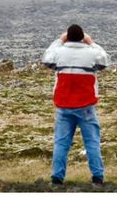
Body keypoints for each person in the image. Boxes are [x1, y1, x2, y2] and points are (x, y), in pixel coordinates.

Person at [42, 24, 110, 186]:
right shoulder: (91, 53)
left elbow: (47, 59)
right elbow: (104, 60)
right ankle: (97, 178)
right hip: (85, 106)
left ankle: (57, 178)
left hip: (63, 105)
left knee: (61, 143)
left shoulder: (59, 52)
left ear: (67, 37)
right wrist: (91, 42)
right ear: (82, 37)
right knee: (92, 142)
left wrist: (59, 40)